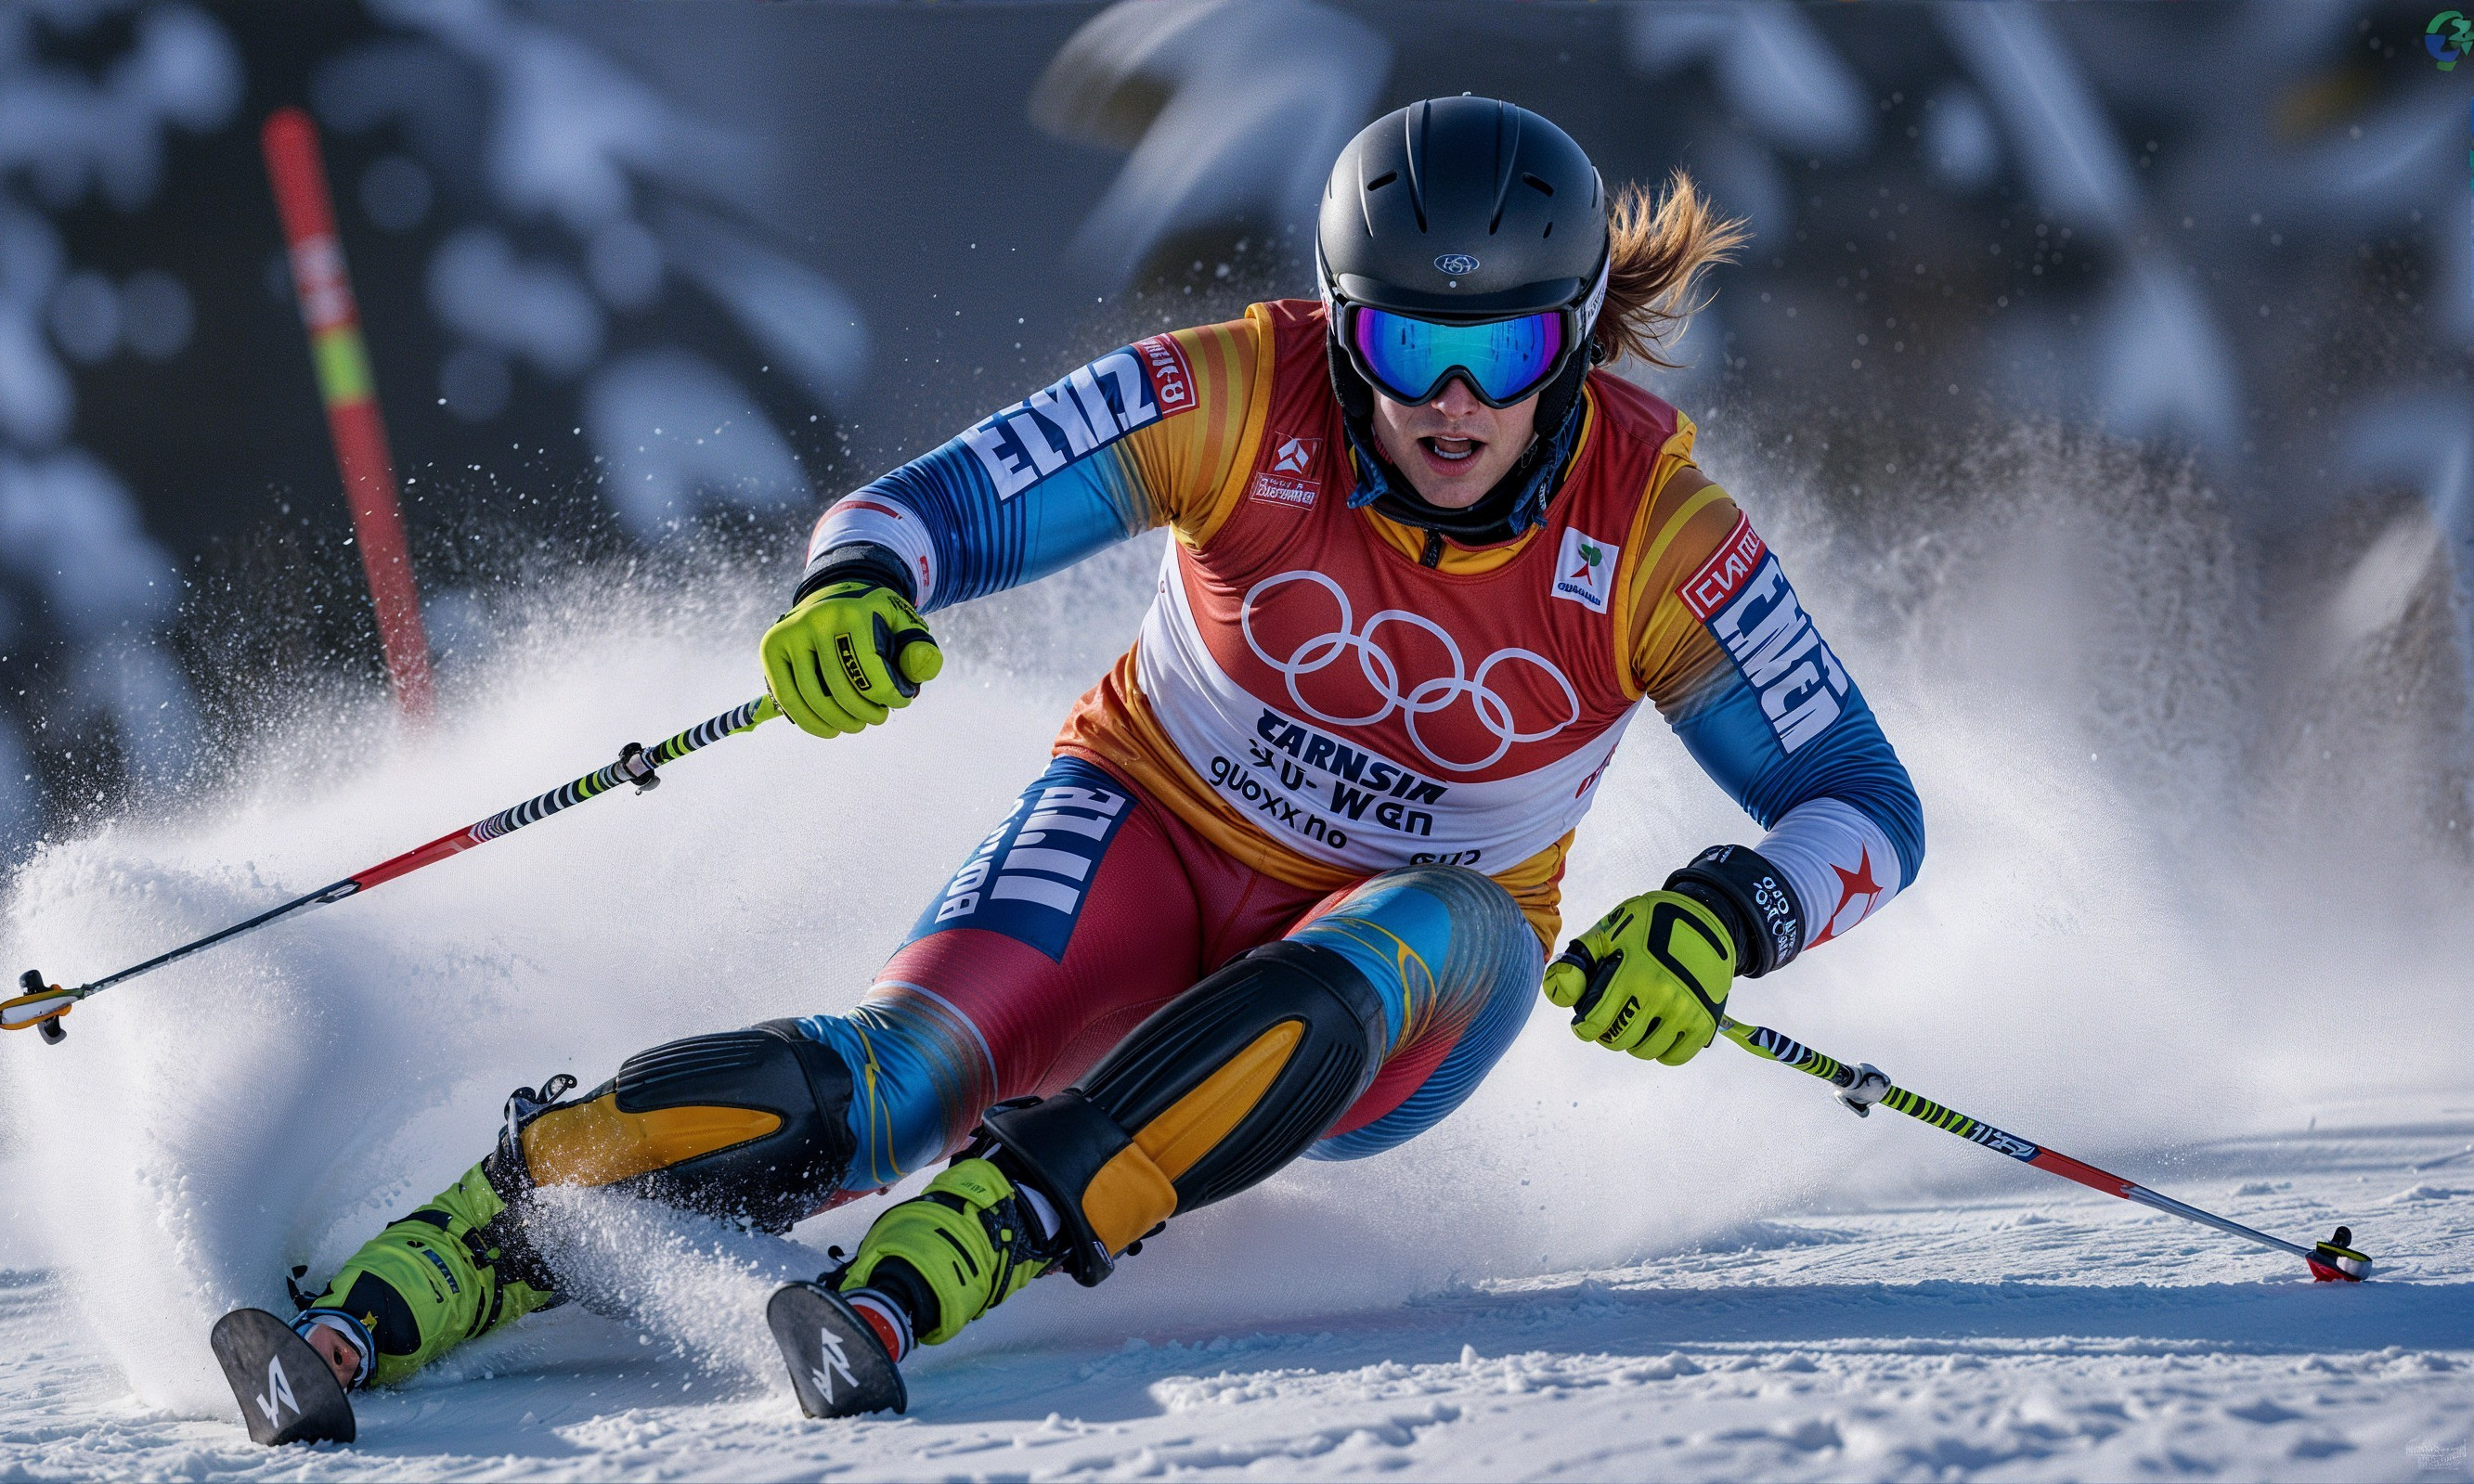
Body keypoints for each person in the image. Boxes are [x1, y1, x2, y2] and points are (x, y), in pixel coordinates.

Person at [282, 97, 1923, 1413]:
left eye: (1495, 355)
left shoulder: (1654, 537)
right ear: (1337, 324)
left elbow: (1862, 801)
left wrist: (1727, 915)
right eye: (1398, 346)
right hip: (1143, 826)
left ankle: (997, 1227)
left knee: (1429, 914)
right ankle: (483, 1228)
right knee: (897, 1078)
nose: (1445, 403)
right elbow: (928, 506)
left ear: (1570, 342)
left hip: (1415, 971)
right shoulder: (1237, 393)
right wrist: (855, 591)